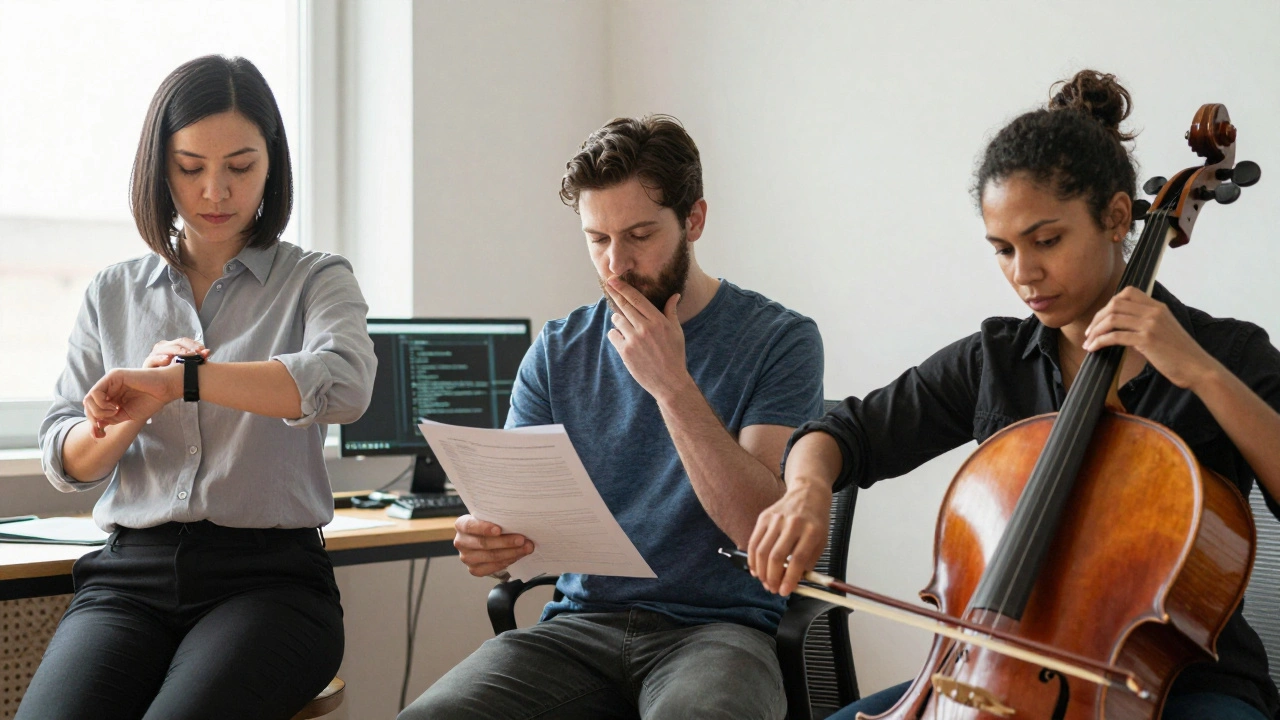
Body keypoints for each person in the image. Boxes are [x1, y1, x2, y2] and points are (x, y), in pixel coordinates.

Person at [748, 70, 1280, 720]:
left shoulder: (1229, 353)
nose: (1023, 273)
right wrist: (805, 493)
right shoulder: (996, 361)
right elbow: (840, 435)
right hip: (989, 673)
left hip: (1184, 687)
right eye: (1002, 249)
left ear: (1117, 218)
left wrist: (1200, 373)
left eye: (1046, 241)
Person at [398, 115, 824, 720]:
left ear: (694, 221)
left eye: (640, 235)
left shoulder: (779, 340)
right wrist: (491, 542)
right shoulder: (557, 348)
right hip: (578, 627)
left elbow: (760, 528)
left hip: (719, 632)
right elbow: (521, 522)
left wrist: (671, 385)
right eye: (598, 240)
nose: (616, 264)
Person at [19, 55, 376, 720]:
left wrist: (187, 380)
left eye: (240, 166)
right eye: (191, 168)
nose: (216, 190)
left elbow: (346, 384)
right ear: (160, 169)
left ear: (272, 162)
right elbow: (65, 459)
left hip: (272, 583)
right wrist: (136, 408)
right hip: (129, 578)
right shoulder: (112, 291)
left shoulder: (317, 279)